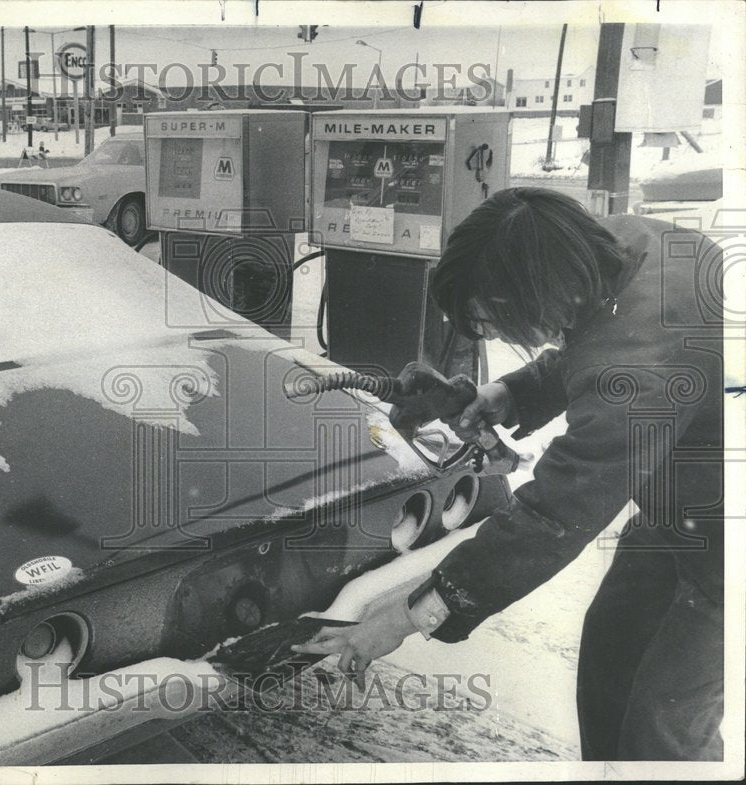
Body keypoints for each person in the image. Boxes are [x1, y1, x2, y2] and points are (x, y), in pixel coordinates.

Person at [294, 187, 724, 761]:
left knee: (664, 718)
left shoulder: (638, 367)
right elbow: (595, 335)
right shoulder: (618, 248)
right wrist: (509, 394)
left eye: (492, 322)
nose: (494, 336)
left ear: (529, 292)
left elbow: (555, 515)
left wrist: (408, 613)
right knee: (611, 660)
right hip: (679, 505)